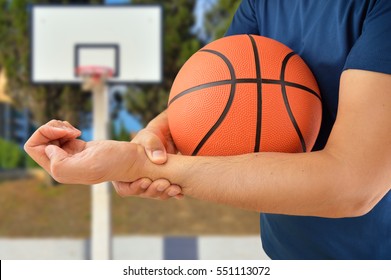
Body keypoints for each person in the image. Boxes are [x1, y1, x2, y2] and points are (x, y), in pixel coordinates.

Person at [24, 0, 391, 259]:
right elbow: (213, 92)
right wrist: (155, 137)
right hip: (284, 253)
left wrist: (139, 165)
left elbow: (353, 184)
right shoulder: (261, 4)